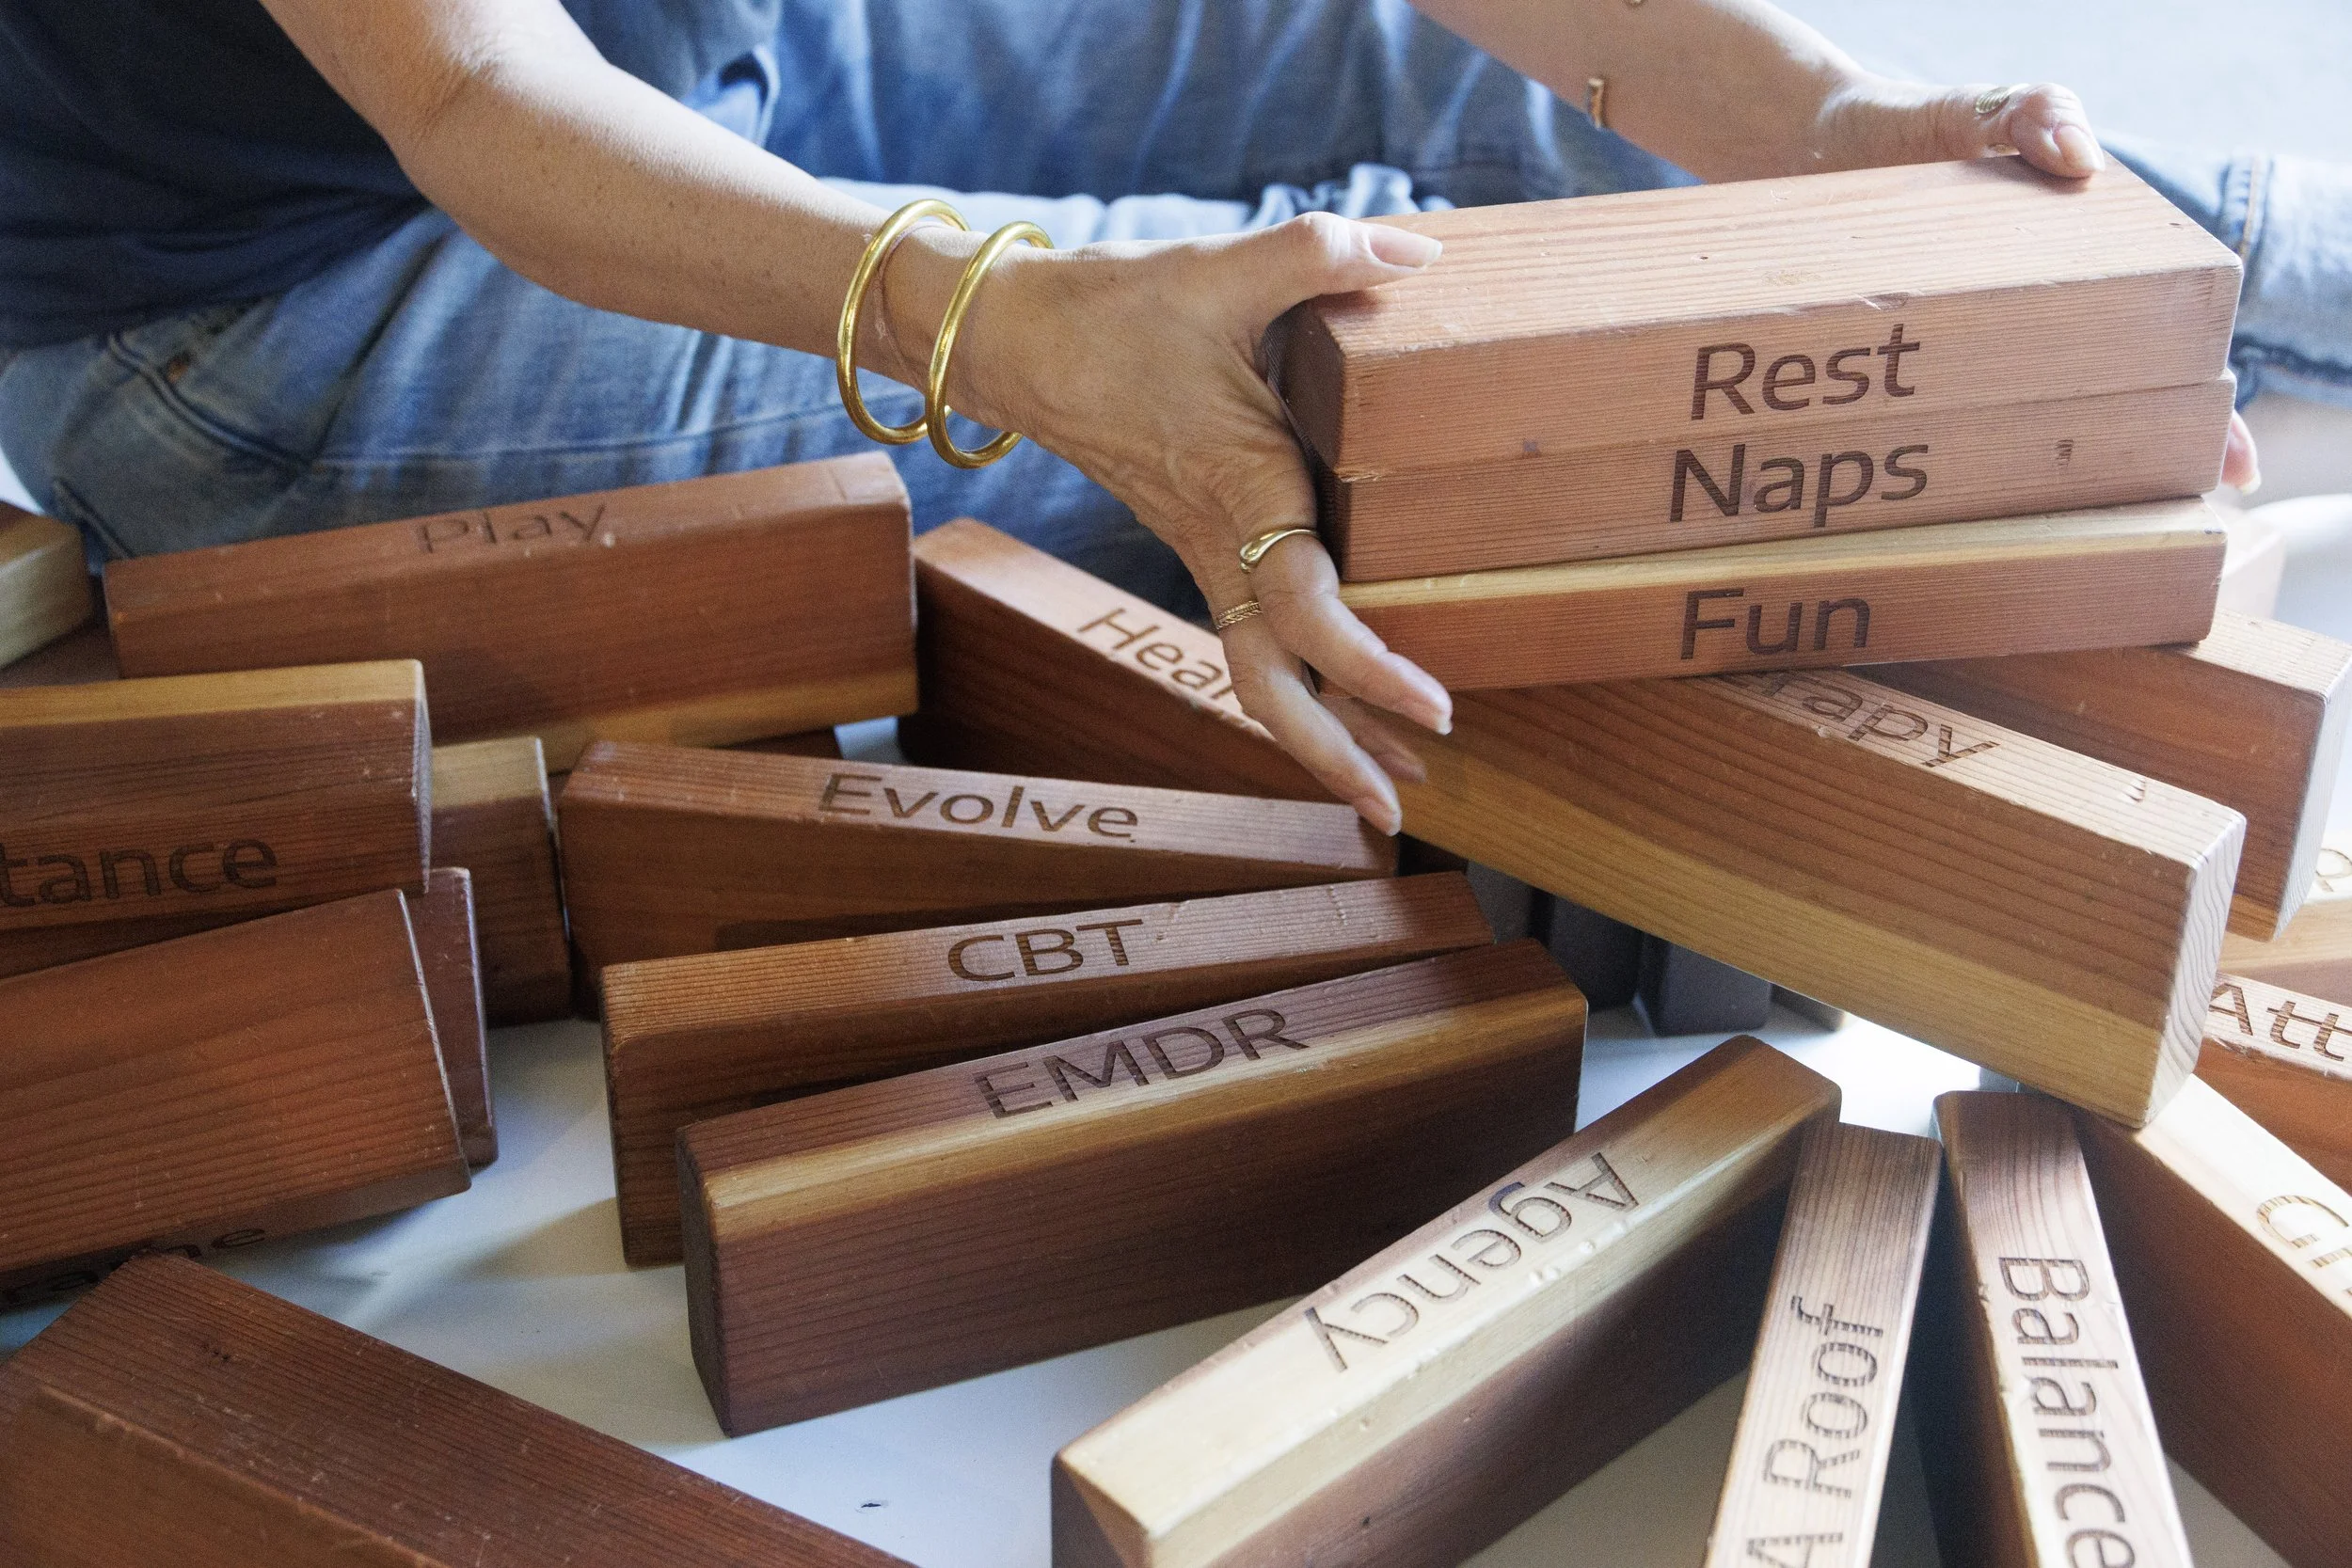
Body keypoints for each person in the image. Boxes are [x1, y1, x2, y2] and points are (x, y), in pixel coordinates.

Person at [0, 1, 2303, 832]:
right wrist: (1020, 315)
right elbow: (482, 91)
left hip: (722, 28)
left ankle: (2233, 253)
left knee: (1405, 73)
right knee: (1343, 357)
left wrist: (1812, 121)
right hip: (286, 308)